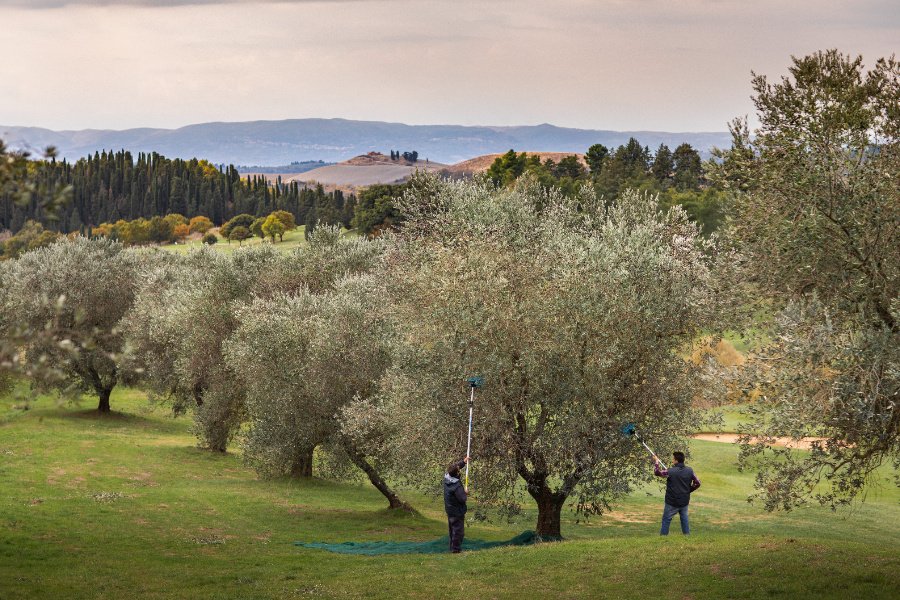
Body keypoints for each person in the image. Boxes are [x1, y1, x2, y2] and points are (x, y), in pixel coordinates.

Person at [653, 451, 700, 535]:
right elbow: (697, 483)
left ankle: (663, 538)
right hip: (684, 501)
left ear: (676, 460)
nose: (672, 460)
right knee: (684, 519)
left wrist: (656, 461)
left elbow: (657, 472)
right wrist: (688, 490)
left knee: (666, 519)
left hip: (671, 502)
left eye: (673, 459)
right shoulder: (690, 471)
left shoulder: (670, 471)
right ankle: (687, 537)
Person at [443, 456, 469, 553]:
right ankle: (456, 550)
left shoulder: (447, 477)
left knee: (452, 530)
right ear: (457, 473)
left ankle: (452, 547)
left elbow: (454, 467)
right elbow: (463, 499)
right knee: (458, 532)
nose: (459, 471)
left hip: (450, 509)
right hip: (457, 511)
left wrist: (463, 462)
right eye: (459, 470)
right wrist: (465, 492)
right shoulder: (456, 486)